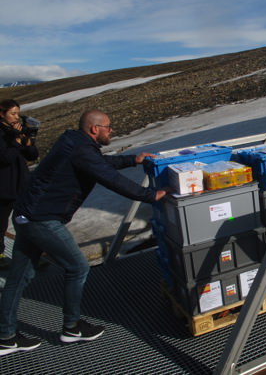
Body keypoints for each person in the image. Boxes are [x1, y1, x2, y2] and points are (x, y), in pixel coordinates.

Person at [0, 109, 168, 356]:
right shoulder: (81, 149)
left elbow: (101, 163)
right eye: (108, 127)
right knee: (78, 267)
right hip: (40, 218)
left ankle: (5, 336)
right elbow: (110, 178)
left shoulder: (77, 142)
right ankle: (71, 327)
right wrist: (151, 196)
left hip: (29, 214)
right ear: (94, 129)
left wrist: (133, 159)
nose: (111, 130)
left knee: (20, 276)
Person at [0, 99, 39, 271]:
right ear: (2, 114)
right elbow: (5, 158)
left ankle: (32, 254)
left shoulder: (15, 131)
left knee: (27, 220)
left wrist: (28, 141)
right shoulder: (2, 134)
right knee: (1, 223)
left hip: (21, 184)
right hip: (3, 187)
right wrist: (15, 142)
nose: (17, 117)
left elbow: (32, 156)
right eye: (13, 113)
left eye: (18, 113)